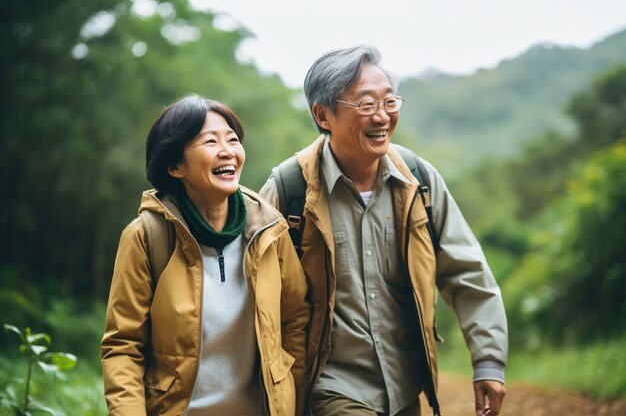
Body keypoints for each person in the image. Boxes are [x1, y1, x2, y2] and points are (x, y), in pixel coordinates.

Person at [260, 46, 508, 416]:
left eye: (390, 101)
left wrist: (488, 360)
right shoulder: (289, 189)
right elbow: (252, 294)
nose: (382, 116)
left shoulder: (417, 179)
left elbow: (467, 271)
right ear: (322, 115)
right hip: (327, 384)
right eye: (365, 104)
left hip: (404, 384)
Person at [101, 94, 310, 416]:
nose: (227, 151)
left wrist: (287, 399)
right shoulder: (146, 236)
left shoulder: (269, 230)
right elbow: (124, 347)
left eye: (233, 140)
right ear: (174, 166)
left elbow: (295, 321)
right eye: (210, 141)